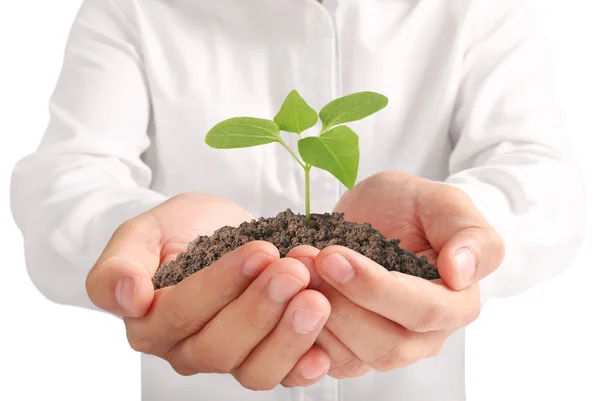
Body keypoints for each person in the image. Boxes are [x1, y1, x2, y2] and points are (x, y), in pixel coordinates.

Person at [10, 0, 585, 400]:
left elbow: (539, 173)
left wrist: (457, 238)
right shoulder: (135, 9)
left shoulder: (479, 9)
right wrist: (138, 239)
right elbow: (69, 175)